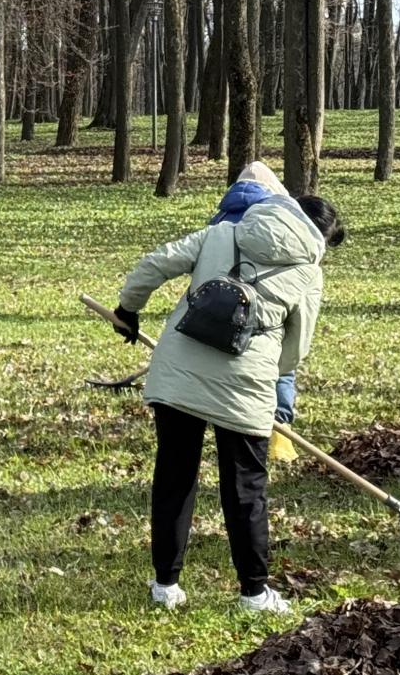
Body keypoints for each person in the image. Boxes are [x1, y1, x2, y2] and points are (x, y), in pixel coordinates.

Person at [112, 191, 345, 616]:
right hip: (246, 388)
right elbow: (296, 351)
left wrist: (128, 310)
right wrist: (262, 369)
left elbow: (155, 263)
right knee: (246, 491)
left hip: (178, 374)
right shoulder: (309, 272)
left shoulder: (224, 232)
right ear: (320, 238)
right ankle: (254, 595)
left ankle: (165, 587)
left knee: (174, 479)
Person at [209, 161, 300, 458]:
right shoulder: (277, 219)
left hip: (220, 307)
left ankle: (229, 420)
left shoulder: (219, 218)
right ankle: (279, 436)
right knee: (281, 369)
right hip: (267, 309)